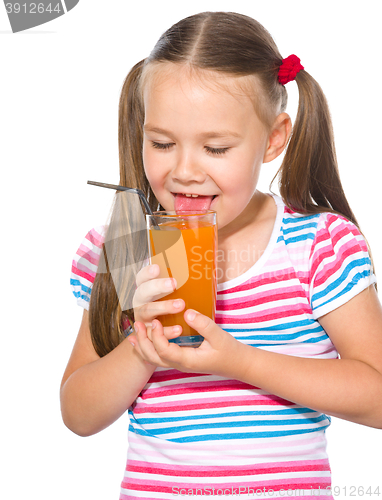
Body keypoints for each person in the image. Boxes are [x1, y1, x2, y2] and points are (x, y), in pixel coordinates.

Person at [61, 11, 382, 500]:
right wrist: (140, 349)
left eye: (215, 148)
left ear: (273, 139)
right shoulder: (126, 248)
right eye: (162, 143)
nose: (185, 171)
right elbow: (78, 414)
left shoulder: (316, 248)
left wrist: (238, 360)